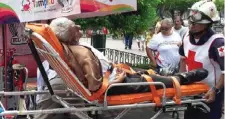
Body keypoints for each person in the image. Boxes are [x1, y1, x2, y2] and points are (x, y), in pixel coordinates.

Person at [49, 18, 208, 96]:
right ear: (70, 34)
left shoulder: (74, 48)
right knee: (151, 81)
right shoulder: (81, 53)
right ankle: (182, 78)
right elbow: (95, 88)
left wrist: (114, 69)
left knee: (143, 74)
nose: (79, 29)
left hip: (114, 75)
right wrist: (115, 81)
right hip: (114, 83)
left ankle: (173, 76)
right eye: (75, 27)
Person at [175, 0, 224, 119]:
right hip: (192, 89)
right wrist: (180, 82)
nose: (193, 24)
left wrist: (216, 89)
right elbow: (183, 59)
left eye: (198, 22)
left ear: (208, 22)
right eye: (192, 20)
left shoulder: (218, 42)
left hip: (212, 91)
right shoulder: (186, 37)